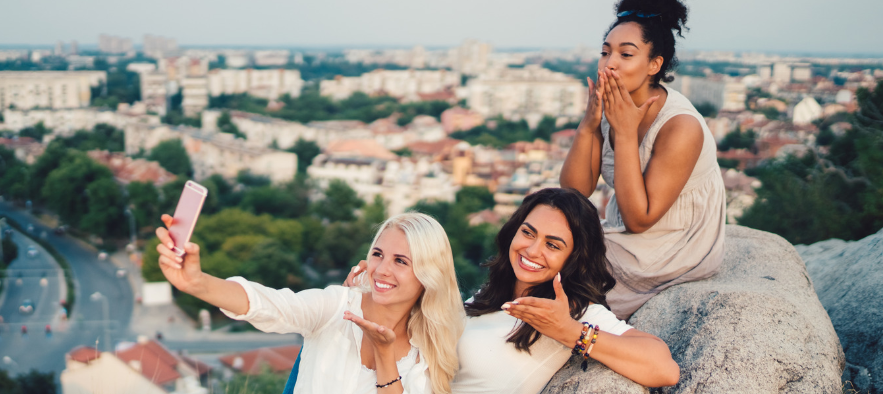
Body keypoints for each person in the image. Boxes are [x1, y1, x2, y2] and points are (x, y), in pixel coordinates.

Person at [344, 189, 679, 393]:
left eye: (553, 244)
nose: (532, 250)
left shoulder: (572, 311)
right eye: (528, 232)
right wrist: (369, 296)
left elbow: (664, 368)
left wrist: (570, 332)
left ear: (574, 257)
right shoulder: (486, 298)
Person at [559, 0, 726, 319]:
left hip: (672, 246)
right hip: (626, 234)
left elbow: (640, 220)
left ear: (654, 64)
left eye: (626, 54)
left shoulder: (681, 126)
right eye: (606, 53)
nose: (611, 63)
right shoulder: (614, 106)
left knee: (557, 276)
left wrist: (625, 133)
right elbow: (575, 191)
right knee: (540, 237)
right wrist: (589, 125)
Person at [155, 212, 465, 394]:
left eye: (401, 261)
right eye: (378, 254)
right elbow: (273, 305)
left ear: (428, 274)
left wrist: (385, 355)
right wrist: (197, 282)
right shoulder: (337, 306)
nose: (382, 269)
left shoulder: (428, 352)